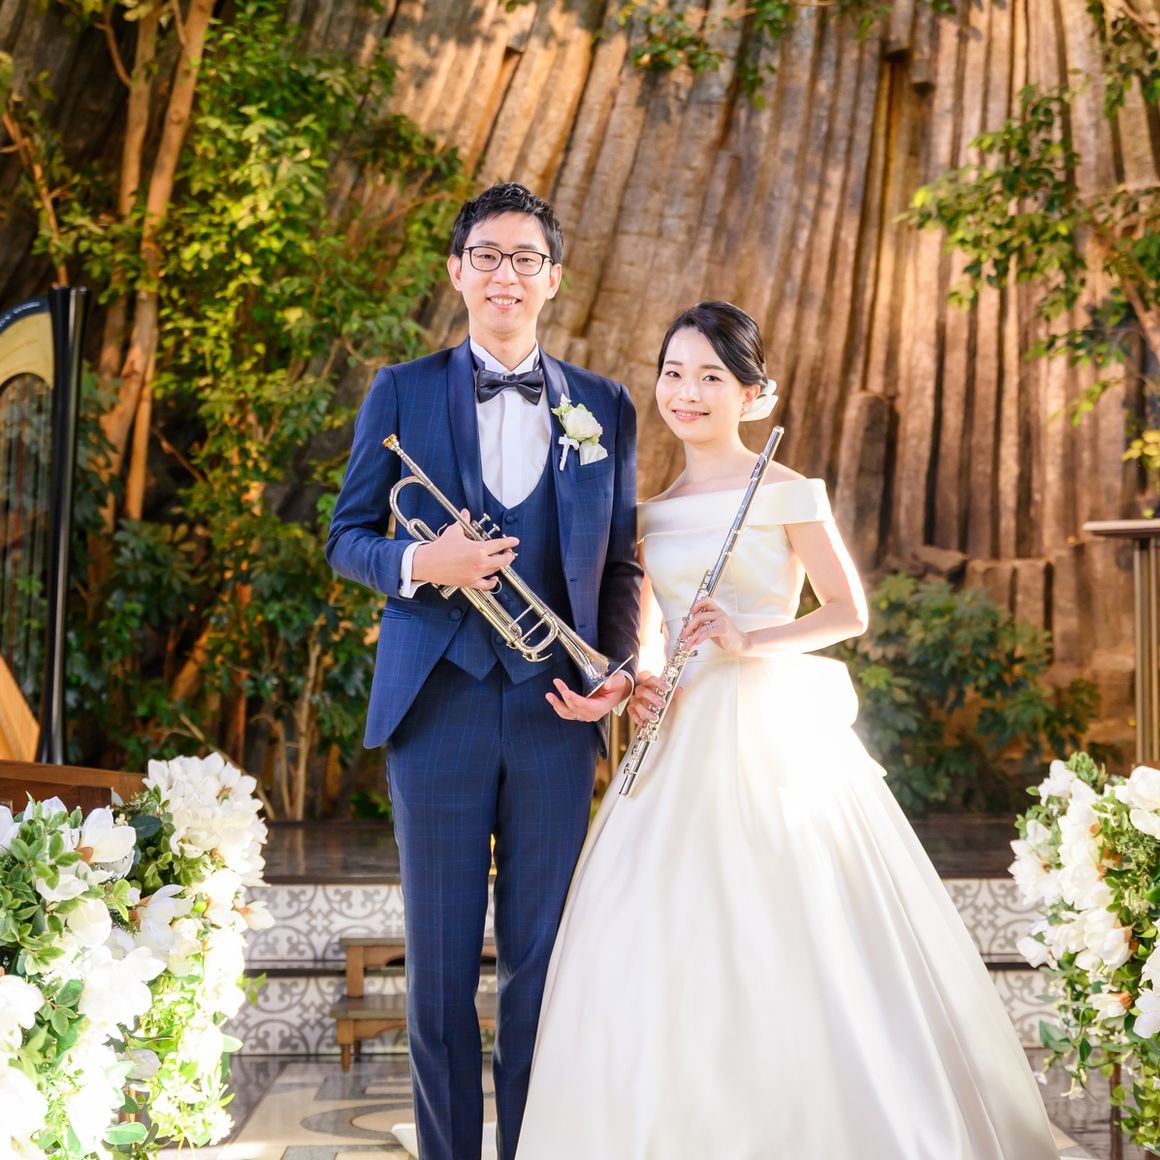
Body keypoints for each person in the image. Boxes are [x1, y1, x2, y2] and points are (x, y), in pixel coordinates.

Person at [515, 301, 1059, 1158]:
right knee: (650, 930)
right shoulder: (648, 513)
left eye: (711, 377)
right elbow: (648, 637)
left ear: (753, 393)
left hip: (766, 731)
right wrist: (637, 683)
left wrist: (750, 638)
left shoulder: (787, 490)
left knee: (792, 924)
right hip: (679, 740)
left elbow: (847, 610)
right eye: (674, 373)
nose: (687, 393)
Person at [325, 182, 642, 1160]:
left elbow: (622, 564)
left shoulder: (605, 405)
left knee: (540, 971)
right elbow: (346, 538)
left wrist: (618, 666)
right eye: (488, 256)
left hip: (555, 711)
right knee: (437, 976)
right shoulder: (401, 388)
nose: (507, 275)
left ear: (554, 278)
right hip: (436, 710)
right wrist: (427, 561)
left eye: (525, 259)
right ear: (457, 272)